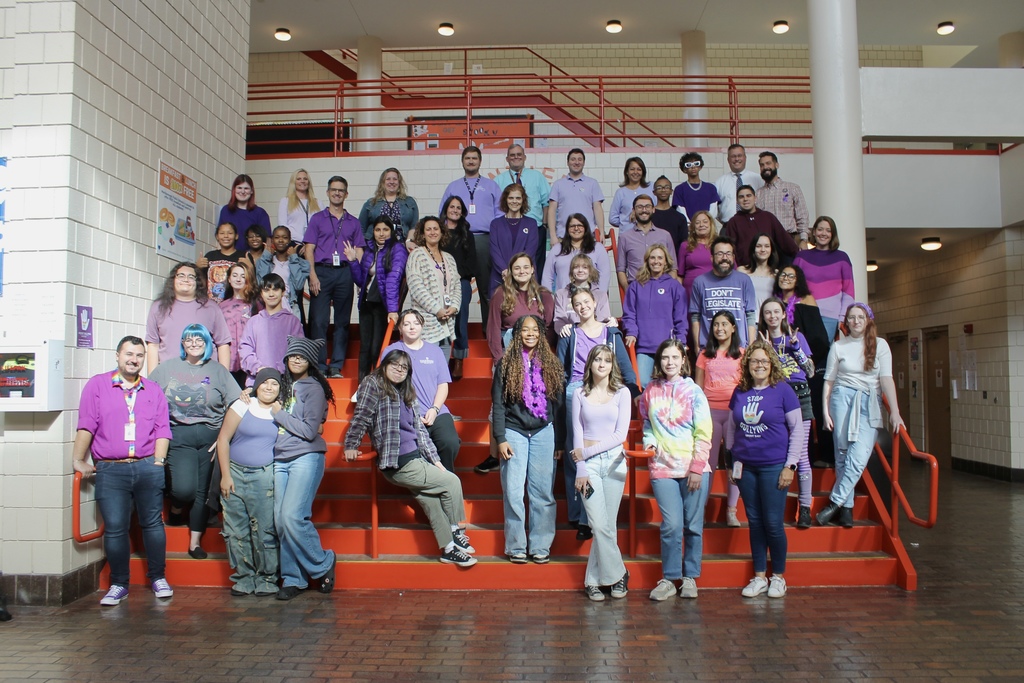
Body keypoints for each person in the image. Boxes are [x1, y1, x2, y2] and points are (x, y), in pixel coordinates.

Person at [344, 349, 477, 567]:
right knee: (452, 481)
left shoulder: (407, 392)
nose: (398, 370)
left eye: (404, 367)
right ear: (385, 365)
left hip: (416, 457)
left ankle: (449, 549)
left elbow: (420, 431)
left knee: (432, 501)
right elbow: (362, 416)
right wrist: (351, 444)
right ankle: (456, 531)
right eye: (394, 365)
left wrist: (436, 460)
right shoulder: (373, 384)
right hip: (398, 461)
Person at [72, 335, 174, 606]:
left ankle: (158, 577)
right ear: (117, 356)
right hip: (111, 469)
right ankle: (119, 584)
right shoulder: (98, 385)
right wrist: (77, 459)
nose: (134, 359)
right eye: (129, 354)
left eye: (139, 355)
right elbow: (86, 424)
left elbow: (163, 429)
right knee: (116, 528)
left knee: (152, 524)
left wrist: (159, 461)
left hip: (147, 466)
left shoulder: (153, 390)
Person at [149, 324, 241, 559]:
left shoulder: (219, 371)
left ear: (207, 343)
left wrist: (223, 437)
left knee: (203, 492)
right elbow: (148, 397)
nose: (194, 344)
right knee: (184, 490)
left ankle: (195, 543)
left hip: (211, 437)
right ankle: (177, 507)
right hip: (179, 436)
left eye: (199, 340)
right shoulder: (167, 368)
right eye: (188, 340)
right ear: (182, 343)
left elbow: (237, 403)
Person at [557, 286, 638, 541]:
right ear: (573, 308)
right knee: (576, 453)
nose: (582, 307)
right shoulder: (569, 334)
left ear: (595, 303)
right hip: (576, 390)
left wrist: (634, 390)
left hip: (605, 387)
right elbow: (561, 372)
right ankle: (580, 514)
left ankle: (593, 516)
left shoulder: (611, 332)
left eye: (586, 302)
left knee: (599, 448)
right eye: (577, 304)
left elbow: (623, 365)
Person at [818, 303, 905, 528]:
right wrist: (825, 411)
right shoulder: (838, 346)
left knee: (858, 458)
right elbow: (828, 380)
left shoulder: (881, 345)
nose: (856, 321)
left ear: (868, 320)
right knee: (842, 454)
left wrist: (894, 411)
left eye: (860, 317)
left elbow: (886, 379)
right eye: (851, 317)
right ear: (846, 322)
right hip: (841, 398)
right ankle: (846, 509)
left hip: (869, 401)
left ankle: (834, 503)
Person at [729, 339, 804, 598]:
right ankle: (759, 576)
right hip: (746, 467)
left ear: (771, 363)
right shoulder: (739, 392)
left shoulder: (783, 391)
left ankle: (779, 577)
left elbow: (797, 430)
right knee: (755, 522)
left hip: (774, 467)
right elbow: (731, 428)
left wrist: (790, 465)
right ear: (747, 364)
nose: (759, 365)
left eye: (763, 361)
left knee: (773, 523)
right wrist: (732, 461)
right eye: (754, 361)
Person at [641, 339, 713, 601]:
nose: (669, 362)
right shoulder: (651, 390)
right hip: (662, 467)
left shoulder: (694, 392)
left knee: (693, 525)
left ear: (684, 360)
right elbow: (647, 423)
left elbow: (705, 432)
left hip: (694, 468)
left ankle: (690, 577)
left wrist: (696, 467)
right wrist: (649, 441)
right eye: (665, 358)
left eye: (675, 357)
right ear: (659, 361)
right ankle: (670, 578)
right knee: (671, 525)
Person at [491, 315, 565, 564]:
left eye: (535, 329)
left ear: (541, 334)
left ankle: (540, 545)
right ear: (517, 333)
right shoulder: (506, 365)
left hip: (544, 431)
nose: (530, 333)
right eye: (525, 329)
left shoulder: (551, 364)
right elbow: (498, 405)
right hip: (514, 432)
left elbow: (559, 405)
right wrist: (500, 438)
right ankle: (516, 546)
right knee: (513, 491)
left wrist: (560, 442)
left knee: (542, 491)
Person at [272, 336, 337, 600]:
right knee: (280, 521)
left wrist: (279, 414)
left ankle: (323, 563)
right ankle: (293, 578)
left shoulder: (314, 389)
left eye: (302, 356)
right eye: (292, 355)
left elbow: (310, 431)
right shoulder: (280, 384)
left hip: (305, 457)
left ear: (310, 361)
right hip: (280, 458)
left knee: (292, 517)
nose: (296, 359)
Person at [571, 345, 633, 601]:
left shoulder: (622, 393)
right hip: (589, 467)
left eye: (607, 360)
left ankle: (594, 581)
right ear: (590, 363)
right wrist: (581, 466)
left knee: (608, 525)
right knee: (598, 524)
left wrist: (585, 452)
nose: (602, 364)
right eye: (598, 359)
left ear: (612, 365)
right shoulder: (579, 394)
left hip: (614, 462)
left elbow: (620, 436)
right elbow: (577, 433)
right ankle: (620, 574)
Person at [216, 367, 283, 596]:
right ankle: (244, 577)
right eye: (265, 383)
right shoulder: (243, 404)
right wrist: (225, 475)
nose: (269, 387)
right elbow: (223, 439)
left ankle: (267, 578)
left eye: (275, 384)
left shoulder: (281, 410)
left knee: (265, 530)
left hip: (264, 477)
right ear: (257, 385)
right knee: (236, 530)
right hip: (234, 473)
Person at [758, 297, 815, 528]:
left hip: (800, 396)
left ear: (784, 314)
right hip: (774, 400)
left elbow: (810, 371)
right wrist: (766, 352)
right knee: (775, 454)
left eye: (776, 312)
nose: (772, 316)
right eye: (767, 313)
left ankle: (805, 508)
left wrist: (796, 349)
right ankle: (773, 510)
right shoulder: (762, 341)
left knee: (801, 456)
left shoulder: (796, 337)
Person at [382, 310, 462, 472]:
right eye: (407, 324)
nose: (412, 327)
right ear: (400, 328)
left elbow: (443, 385)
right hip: (406, 414)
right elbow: (385, 385)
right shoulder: (392, 351)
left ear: (422, 326)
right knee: (415, 450)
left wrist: (435, 408)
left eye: (416, 323)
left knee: (450, 442)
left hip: (435, 411)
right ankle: (428, 483)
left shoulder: (435, 351)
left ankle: (445, 481)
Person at [304, 175, 366, 377]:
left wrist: (356, 273)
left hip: (344, 273)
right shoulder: (317, 219)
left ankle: (335, 365)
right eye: (334, 190)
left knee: (342, 321)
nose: (337, 193)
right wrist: (312, 275)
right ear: (328, 193)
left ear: (346, 194)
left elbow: (359, 250)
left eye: (341, 190)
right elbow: (309, 249)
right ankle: (320, 365)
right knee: (319, 321)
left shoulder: (354, 222)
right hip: (321, 271)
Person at [775, 263, 832, 466]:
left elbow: (818, 336)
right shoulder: (775, 303)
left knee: (812, 409)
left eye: (791, 275)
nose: (786, 278)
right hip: (782, 364)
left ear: (798, 279)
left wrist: (807, 360)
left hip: (807, 362)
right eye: (783, 274)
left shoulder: (806, 300)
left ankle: (821, 457)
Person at [438, 146, 502, 326]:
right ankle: (453, 332)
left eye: (474, 158)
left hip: (484, 239)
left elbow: (499, 213)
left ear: (480, 161)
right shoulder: (453, 186)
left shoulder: (491, 185)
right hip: (457, 238)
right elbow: (442, 214)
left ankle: (488, 330)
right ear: (462, 161)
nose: (471, 161)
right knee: (455, 286)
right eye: (467, 158)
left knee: (486, 287)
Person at [694, 310, 745, 527]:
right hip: (709, 414)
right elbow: (697, 387)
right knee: (709, 463)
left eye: (725, 324)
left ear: (733, 327)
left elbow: (746, 386)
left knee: (734, 463)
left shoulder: (742, 354)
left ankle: (731, 510)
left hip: (734, 414)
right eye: (716, 324)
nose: (720, 328)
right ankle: (701, 509)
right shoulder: (705, 354)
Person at [349, 215, 408, 380]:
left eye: (385, 229)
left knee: (377, 348)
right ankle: (362, 386)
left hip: (383, 304)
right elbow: (361, 280)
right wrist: (353, 261)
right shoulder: (369, 249)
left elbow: (393, 280)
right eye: (377, 230)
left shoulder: (398, 249)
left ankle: (377, 383)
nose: (381, 233)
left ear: (392, 231)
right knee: (364, 347)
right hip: (367, 303)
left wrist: (392, 309)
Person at [621, 244, 688, 386]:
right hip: (644, 347)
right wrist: (631, 332)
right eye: (652, 258)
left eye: (660, 258)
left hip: (668, 347)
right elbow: (629, 313)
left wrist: (681, 340)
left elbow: (681, 318)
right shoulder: (636, 286)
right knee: (643, 384)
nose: (656, 261)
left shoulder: (674, 286)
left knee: (668, 385)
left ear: (665, 262)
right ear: (647, 261)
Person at [145, 261, 231, 370]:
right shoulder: (158, 307)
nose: (186, 279)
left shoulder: (211, 308)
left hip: (205, 378)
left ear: (197, 282)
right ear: (173, 280)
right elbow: (153, 345)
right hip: (169, 377)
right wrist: (152, 381)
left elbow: (223, 344)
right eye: (181, 276)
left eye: (191, 277)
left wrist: (223, 379)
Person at [404, 216, 461, 358]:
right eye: (428, 229)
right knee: (426, 370)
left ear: (442, 232)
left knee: (441, 373)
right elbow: (416, 289)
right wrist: (437, 310)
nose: (432, 232)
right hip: (426, 324)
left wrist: (454, 306)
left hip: (447, 323)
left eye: (436, 229)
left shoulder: (449, 258)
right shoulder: (416, 255)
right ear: (422, 234)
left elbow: (456, 286)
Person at [793, 215, 856, 342]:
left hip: (830, 317)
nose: (824, 233)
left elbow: (848, 292)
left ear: (833, 234)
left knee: (824, 355)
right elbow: (792, 287)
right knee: (803, 354)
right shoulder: (801, 257)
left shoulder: (842, 258)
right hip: (805, 313)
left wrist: (842, 317)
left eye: (828, 230)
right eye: (820, 229)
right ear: (814, 232)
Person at [689, 236, 758, 349]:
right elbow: (696, 317)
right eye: (720, 254)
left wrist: (750, 346)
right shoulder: (700, 282)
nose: (724, 258)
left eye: (728, 254)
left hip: (738, 349)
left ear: (733, 257)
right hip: (709, 349)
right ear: (712, 258)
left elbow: (750, 315)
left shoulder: (744, 280)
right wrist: (697, 347)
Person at [487, 252, 555, 363]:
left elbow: (550, 327)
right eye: (517, 268)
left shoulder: (544, 295)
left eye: (526, 267)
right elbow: (493, 328)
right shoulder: (500, 294)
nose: (522, 271)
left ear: (532, 269)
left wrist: (542, 353)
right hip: (509, 352)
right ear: (511, 271)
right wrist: (499, 359)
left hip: (538, 354)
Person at [238, 273, 304, 386]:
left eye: (276, 289)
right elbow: (245, 350)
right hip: (256, 382)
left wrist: (278, 370)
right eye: (267, 290)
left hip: (285, 382)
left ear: (283, 292)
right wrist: (259, 369)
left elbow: (298, 351)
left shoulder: (293, 322)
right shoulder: (253, 322)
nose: (271, 294)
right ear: (261, 294)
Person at [494, 144, 550, 274]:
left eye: (519, 154)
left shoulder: (537, 177)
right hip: (508, 229)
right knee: (511, 264)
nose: (516, 157)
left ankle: (534, 293)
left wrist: (545, 225)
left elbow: (546, 202)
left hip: (535, 228)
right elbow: (496, 206)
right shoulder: (498, 180)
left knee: (535, 266)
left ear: (525, 157)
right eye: (512, 155)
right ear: (507, 159)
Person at [439, 196, 477, 379]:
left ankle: (459, 359)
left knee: (460, 318)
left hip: (461, 281)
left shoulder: (466, 234)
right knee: (441, 319)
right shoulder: (437, 231)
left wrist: (454, 277)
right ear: (446, 209)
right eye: (451, 207)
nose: (454, 210)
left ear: (462, 212)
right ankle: (442, 358)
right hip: (438, 282)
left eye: (458, 207)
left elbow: (472, 263)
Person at [721, 185, 797, 267]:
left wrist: (799, 255)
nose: (745, 199)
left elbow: (784, 240)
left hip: (769, 268)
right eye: (741, 197)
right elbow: (731, 248)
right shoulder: (733, 222)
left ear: (755, 198)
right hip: (745, 269)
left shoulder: (768, 217)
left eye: (748, 195)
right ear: (737, 201)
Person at [616, 195, 677, 291]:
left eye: (647, 206)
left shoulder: (665, 236)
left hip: (662, 289)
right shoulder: (624, 237)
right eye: (639, 207)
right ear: (634, 210)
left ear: (653, 209)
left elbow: (673, 267)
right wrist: (628, 289)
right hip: (636, 288)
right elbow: (620, 269)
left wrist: (668, 289)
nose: (644, 210)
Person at [489, 184, 540, 297]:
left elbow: (530, 250)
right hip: (500, 276)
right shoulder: (495, 224)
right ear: (505, 200)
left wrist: (517, 271)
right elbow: (494, 250)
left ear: (523, 200)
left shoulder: (531, 223)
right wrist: (505, 270)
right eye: (511, 198)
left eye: (518, 198)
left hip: (524, 277)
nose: (514, 201)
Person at [541, 214, 611, 294]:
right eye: (572, 226)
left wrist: (599, 298)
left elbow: (604, 276)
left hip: (590, 301)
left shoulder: (598, 248)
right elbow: (547, 276)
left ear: (585, 228)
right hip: (563, 302)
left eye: (580, 225)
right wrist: (548, 299)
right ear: (567, 229)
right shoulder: (557, 249)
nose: (576, 228)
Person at [547, 148, 605, 241]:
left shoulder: (593, 183)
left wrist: (601, 232)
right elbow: (551, 211)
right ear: (568, 162)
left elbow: (597, 209)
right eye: (573, 159)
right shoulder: (558, 184)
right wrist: (553, 236)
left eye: (579, 159)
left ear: (584, 162)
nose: (576, 162)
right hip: (563, 237)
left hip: (588, 237)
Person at [219, 261, 262, 386]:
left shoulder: (256, 304)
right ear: (229, 279)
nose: (238, 279)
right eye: (235, 275)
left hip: (250, 358)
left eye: (243, 276)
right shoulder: (221, 306)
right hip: (228, 359)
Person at [552, 253, 614, 337]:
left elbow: (603, 320)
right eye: (576, 267)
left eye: (585, 267)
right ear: (571, 271)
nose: (580, 270)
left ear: (590, 271)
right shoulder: (561, 294)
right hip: (570, 337)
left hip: (595, 338)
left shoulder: (601, 295)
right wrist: (564, 329)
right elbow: (559, 320)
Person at [756, 151, 809, 248]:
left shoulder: (792, 188)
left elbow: (802, 215)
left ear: (776, 165)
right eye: (762, 165)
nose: (765, 167)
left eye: (768, 163)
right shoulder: (758, 194)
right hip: (767, 243)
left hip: (789, 238)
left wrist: (803, 240)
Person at [255, 225, 311, 318]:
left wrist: (293, 259)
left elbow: (298, 286)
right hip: (268, 307)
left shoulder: (300, 263)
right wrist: (266, 257)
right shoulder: (265, 261)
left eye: (285, 238)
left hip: (291, 306)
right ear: (272, 240)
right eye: (277, 237)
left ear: (289, 240)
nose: (281, 240)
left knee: (292, 333)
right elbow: (261, 284)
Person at [358, 167, 420, 242]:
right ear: (383, 182)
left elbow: (414, 226)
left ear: (399, 182)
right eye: (388, 179)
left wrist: (409, 241)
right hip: (375, 245)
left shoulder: (410, 202)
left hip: (402, 244)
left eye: (395, 179)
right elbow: (361, 227)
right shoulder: (371, 203)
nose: (391, 182)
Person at [218, 174, 272, 251]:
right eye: (239, 188)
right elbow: (220, 236)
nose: (242, 191)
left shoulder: (260, 213)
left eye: (246, 188)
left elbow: (267, 240)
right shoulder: (226, 210)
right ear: (234, 190)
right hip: (230, 257)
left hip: (253, 257)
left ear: (251, 191)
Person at [713, 143, 764, 224]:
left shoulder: (758, 179)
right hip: (728, 226)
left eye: (739, 155)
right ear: (728, 160)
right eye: (733, 156)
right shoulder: (719, 182)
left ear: (745, 158)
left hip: (754, 225)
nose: (736, 159)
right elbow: (715, 209)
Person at [677, 210, 718, 304]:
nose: (701, 225)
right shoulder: (685, 246)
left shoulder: (719, 244)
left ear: (711, 224)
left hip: (714, 290)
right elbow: (680, 275)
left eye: (705, 221)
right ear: (693, 227)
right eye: (697, 222)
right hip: (690, 291)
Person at [608, 157, 656, 234]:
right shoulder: (620, 192)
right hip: (627, 235)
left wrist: (639, 215)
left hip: (649, 234)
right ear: (627, 172)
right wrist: (627, 220)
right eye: (632, 169)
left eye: (639, 169)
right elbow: (612, 219)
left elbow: (658, 210)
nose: (635, 172)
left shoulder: (651, 188)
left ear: (643, 172)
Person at [738, 234, 780, 319]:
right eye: (759, 246)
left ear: (771, 249)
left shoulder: (777, 274)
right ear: (753, 248)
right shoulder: (742, 271)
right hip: (748, 320)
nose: (763, 250)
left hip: (770, 321)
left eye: (767, 246)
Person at [197, 222, 242, 301]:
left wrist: (250, 267)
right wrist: (197, 267)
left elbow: (251, 281)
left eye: (230, 233)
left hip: (234, 305)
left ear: (236, 236)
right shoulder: (210, 256)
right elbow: (200, 281)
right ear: (217, 237)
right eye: (222, 233)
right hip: (211, 304)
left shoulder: (243, 256)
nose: (226, 236)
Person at [672, 152, 720, 222]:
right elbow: (680, 210)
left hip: (708, 227)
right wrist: (689, 225)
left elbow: (714, 210)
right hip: (688, 229)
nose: (693, 167)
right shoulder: (680, 189)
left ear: (700, 167)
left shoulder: (710, 188)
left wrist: (706, 223)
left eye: (696, 164)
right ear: (684, 169)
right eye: (689, 165)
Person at [278, 169, 320, 243]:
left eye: (305, 179)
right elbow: (283, 226)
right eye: (298, 179)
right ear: (293, 182)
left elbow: (322, 225)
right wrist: (304, 240)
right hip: (294, 244)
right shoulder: (285, 201)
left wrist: (310, 242)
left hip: (314, 245)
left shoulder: (318, 203)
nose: (302, 181)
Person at [651, 176, 688, 254]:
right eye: (659, 187)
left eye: (667, 187)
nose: (663, 190)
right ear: (654, 192)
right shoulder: (649, 216)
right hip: (653, 259)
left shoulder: (680, 217)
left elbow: (683, 244)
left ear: (671, 191)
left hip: (674, 260)